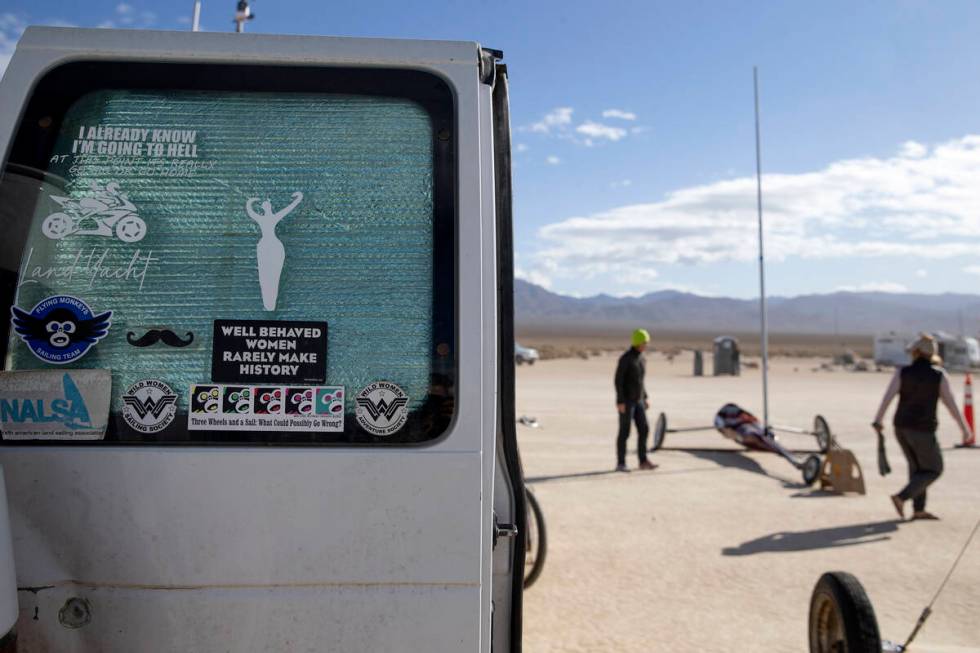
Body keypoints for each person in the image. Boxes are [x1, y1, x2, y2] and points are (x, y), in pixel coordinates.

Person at [872, 333, 971, 520]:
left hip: (900, 426)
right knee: (934, 469)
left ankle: (918, 509)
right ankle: (902, 497)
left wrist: (878, 419)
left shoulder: (903, 372)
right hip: (922, 429)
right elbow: (951, 405)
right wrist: (964, 428)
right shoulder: (938, 375)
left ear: (916, 352)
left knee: (917, 469)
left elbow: (888, 397)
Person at [614, 328, 657, 472]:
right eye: (644, 342)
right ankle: (621, 463)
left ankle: (643, 461)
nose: (646, 345)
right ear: (638, 342)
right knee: (625, 431)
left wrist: (644, 397)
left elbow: (640, 381)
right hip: (626, 401)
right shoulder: (626, 359)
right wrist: (620, 401)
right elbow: (618, 381)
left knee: (644, 429)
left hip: (638, 401)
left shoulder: (641, 359)